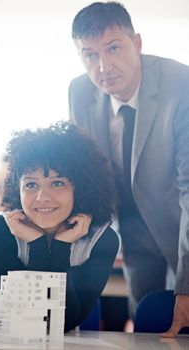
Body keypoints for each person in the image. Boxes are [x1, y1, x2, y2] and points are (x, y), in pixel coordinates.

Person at [68, 1, 189, 336]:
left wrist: (187, 282)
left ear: (136, 43)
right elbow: (83, 171)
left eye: (114, 48)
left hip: (184, 227)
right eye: (90, 54)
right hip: (133, 233)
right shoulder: (79, 92)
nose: (104, 66)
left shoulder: (181, 84)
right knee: (148, 325)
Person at [0, 121, 119, 332]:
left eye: (57, 183)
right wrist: (37, 243)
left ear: (80, 188)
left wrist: (60, 246)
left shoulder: (101, 239)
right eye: (30, 184)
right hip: (2, 339)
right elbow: (28, 315)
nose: (41, 197)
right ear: (17, 189)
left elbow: (64, 321)